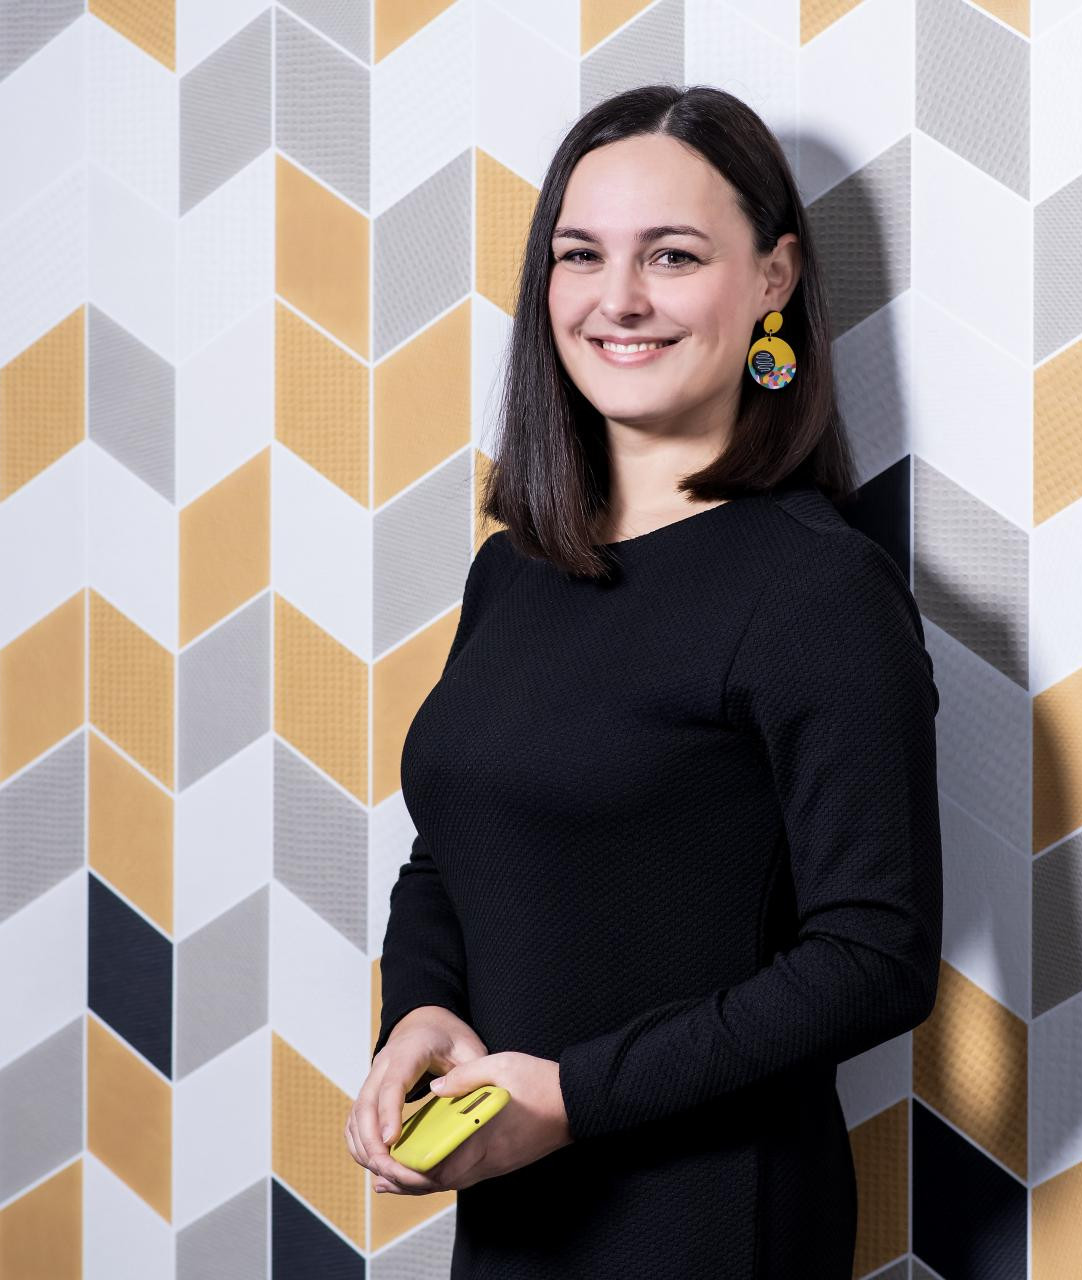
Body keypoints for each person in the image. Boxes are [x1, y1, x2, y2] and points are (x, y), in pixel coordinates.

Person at [344, 83, 943, 1279]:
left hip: (712, 1222)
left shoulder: (817, 589)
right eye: (579, 255)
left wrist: (572, 1096)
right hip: (517, 1213)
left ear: (772, 277)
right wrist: (420, 1009)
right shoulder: (513, 569)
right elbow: (452, 849)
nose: (616, 298)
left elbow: (872, 956)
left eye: (671, 255)